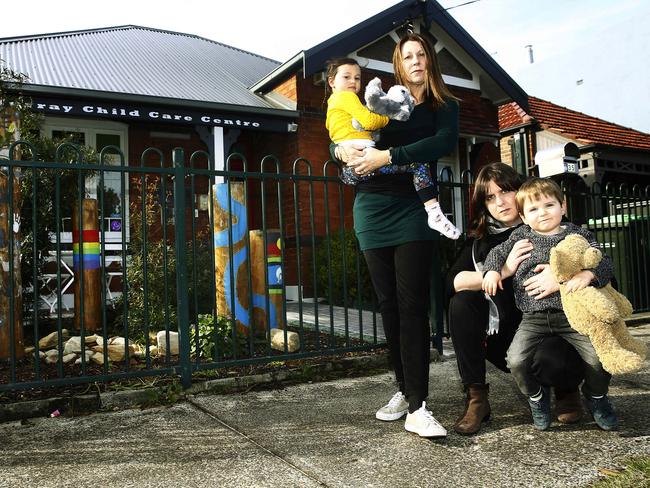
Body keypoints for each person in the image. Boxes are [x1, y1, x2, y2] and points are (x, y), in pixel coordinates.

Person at [331, 33, 460, 437]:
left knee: (412, 306)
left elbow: (442, 141)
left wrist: (390, 156)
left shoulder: (444, 106)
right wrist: (340, 152)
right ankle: (403, 389)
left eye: (422, 54)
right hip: (371, 207)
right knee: (388, 305)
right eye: (408, 56)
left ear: (429, 62)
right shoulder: (382, 102)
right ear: (398, 64)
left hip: (413, 209)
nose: (417, 60)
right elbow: (349, 133)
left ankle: (420, 407)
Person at [446, 163, 584, 435]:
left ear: (520, 191)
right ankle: (477, 399)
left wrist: (561, 277)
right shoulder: (480, 241)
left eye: (506, 191)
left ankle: (566, 390)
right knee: (460, 303)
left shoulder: (553, 227)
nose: (500, 202)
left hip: (553, 331)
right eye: (490, 197)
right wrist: (503, 269)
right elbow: (453, 282)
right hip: (505, 337)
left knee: (554, 359)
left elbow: (604, 275)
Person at [482, 177, 618, 431]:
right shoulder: (521, 235)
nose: (542, 213)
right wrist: (491, 271)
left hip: (573, 315)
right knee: (516, 360)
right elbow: (496, 254)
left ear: (563, 207)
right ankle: (536, 397)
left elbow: (604, 260)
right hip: (533, 318)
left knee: (599, 358)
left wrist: (586, 275)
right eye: (533, 209)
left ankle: (596, 396)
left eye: (549, 205)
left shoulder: (577, 235)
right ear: (523, 216)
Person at [325, 57, 460, 239]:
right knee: (418, 165)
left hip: (352, 169)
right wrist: (389, 116)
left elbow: (335, 131)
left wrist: (338, 148)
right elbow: (369, 121)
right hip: (364, 163)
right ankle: (434, 212)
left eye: (357, 78)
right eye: (347, 77)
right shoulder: (348, 98)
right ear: (331, 81)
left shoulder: (334, 103)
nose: (353, 82)